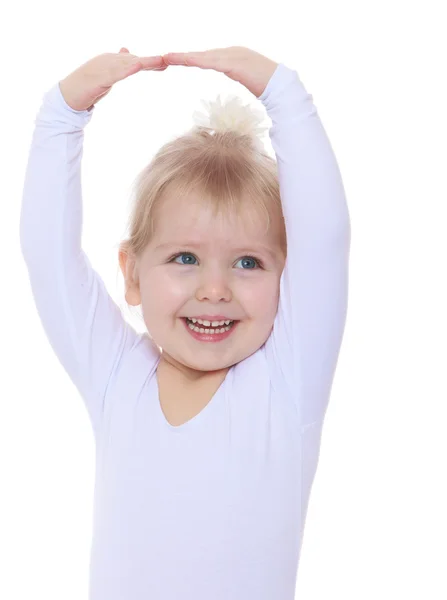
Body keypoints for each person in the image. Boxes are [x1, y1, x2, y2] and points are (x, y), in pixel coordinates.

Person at [19, 46, 351, 600]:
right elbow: (47, 255)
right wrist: (60, 115)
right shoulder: (117, 376)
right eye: (184, 258)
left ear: (288, 283)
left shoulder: (286, 382)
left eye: (248, 262)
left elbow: (325, 239)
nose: (214, 289)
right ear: (132, 274)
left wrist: (284, 94)